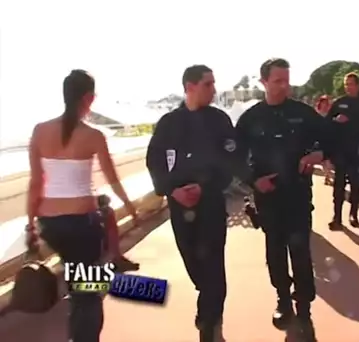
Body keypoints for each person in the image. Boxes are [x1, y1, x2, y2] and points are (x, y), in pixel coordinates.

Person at [27, 70, 137, 342]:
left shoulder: (40, 131)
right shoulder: (94, 136)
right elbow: (112, 178)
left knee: (78, 286)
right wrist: (129, 206)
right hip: (82, 225)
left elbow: (35, 184)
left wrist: (31, 224)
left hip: (51, 224)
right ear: (88, 98)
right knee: (89, 293)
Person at [234, 58, 330, 340]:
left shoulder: (303, 113)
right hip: (268, 197)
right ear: (263, 82)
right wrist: (253, 180)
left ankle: (304, 309)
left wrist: (318, 154)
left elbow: (331, 138)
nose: (284, 86)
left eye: (286, 80)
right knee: (275, 253)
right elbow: (234, 157)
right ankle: (283, 300)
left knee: (300, 252)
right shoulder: (251, 118)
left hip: (298, 194)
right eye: (278, 81)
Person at [146, 65, 237, 342]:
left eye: (213, 83)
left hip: (210, 205)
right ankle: (207, 301)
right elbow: (154, 161)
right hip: (180, 207)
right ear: (190, 86)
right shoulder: (169, 123)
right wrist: (172, 191)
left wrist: (206, 186)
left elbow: (230, 160)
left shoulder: (220, 121)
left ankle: (210, 322)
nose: (214, 89)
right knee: (193, 263)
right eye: (208, 84)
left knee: (213, 265)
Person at [326, 72, 359, 230]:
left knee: (355, 183)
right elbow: (327, 123)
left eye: (351, 84)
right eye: (346, 84)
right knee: (338, 184)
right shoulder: (339, 103)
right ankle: (337, 216)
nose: (348, 87)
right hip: (340, 150)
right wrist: (335, 121)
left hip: (357, 150)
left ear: (357, 86)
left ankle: (353, 214)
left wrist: (351, 121)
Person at [315, 95, 334, 185]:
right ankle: (327, 175)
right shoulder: (316, 114)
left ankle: (328, 176)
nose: (325, 105)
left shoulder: (330, 115)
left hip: (329, 138)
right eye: (323, 103)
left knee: (328, 160)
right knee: (323, 160)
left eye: (326, 103)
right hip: (319, 139)